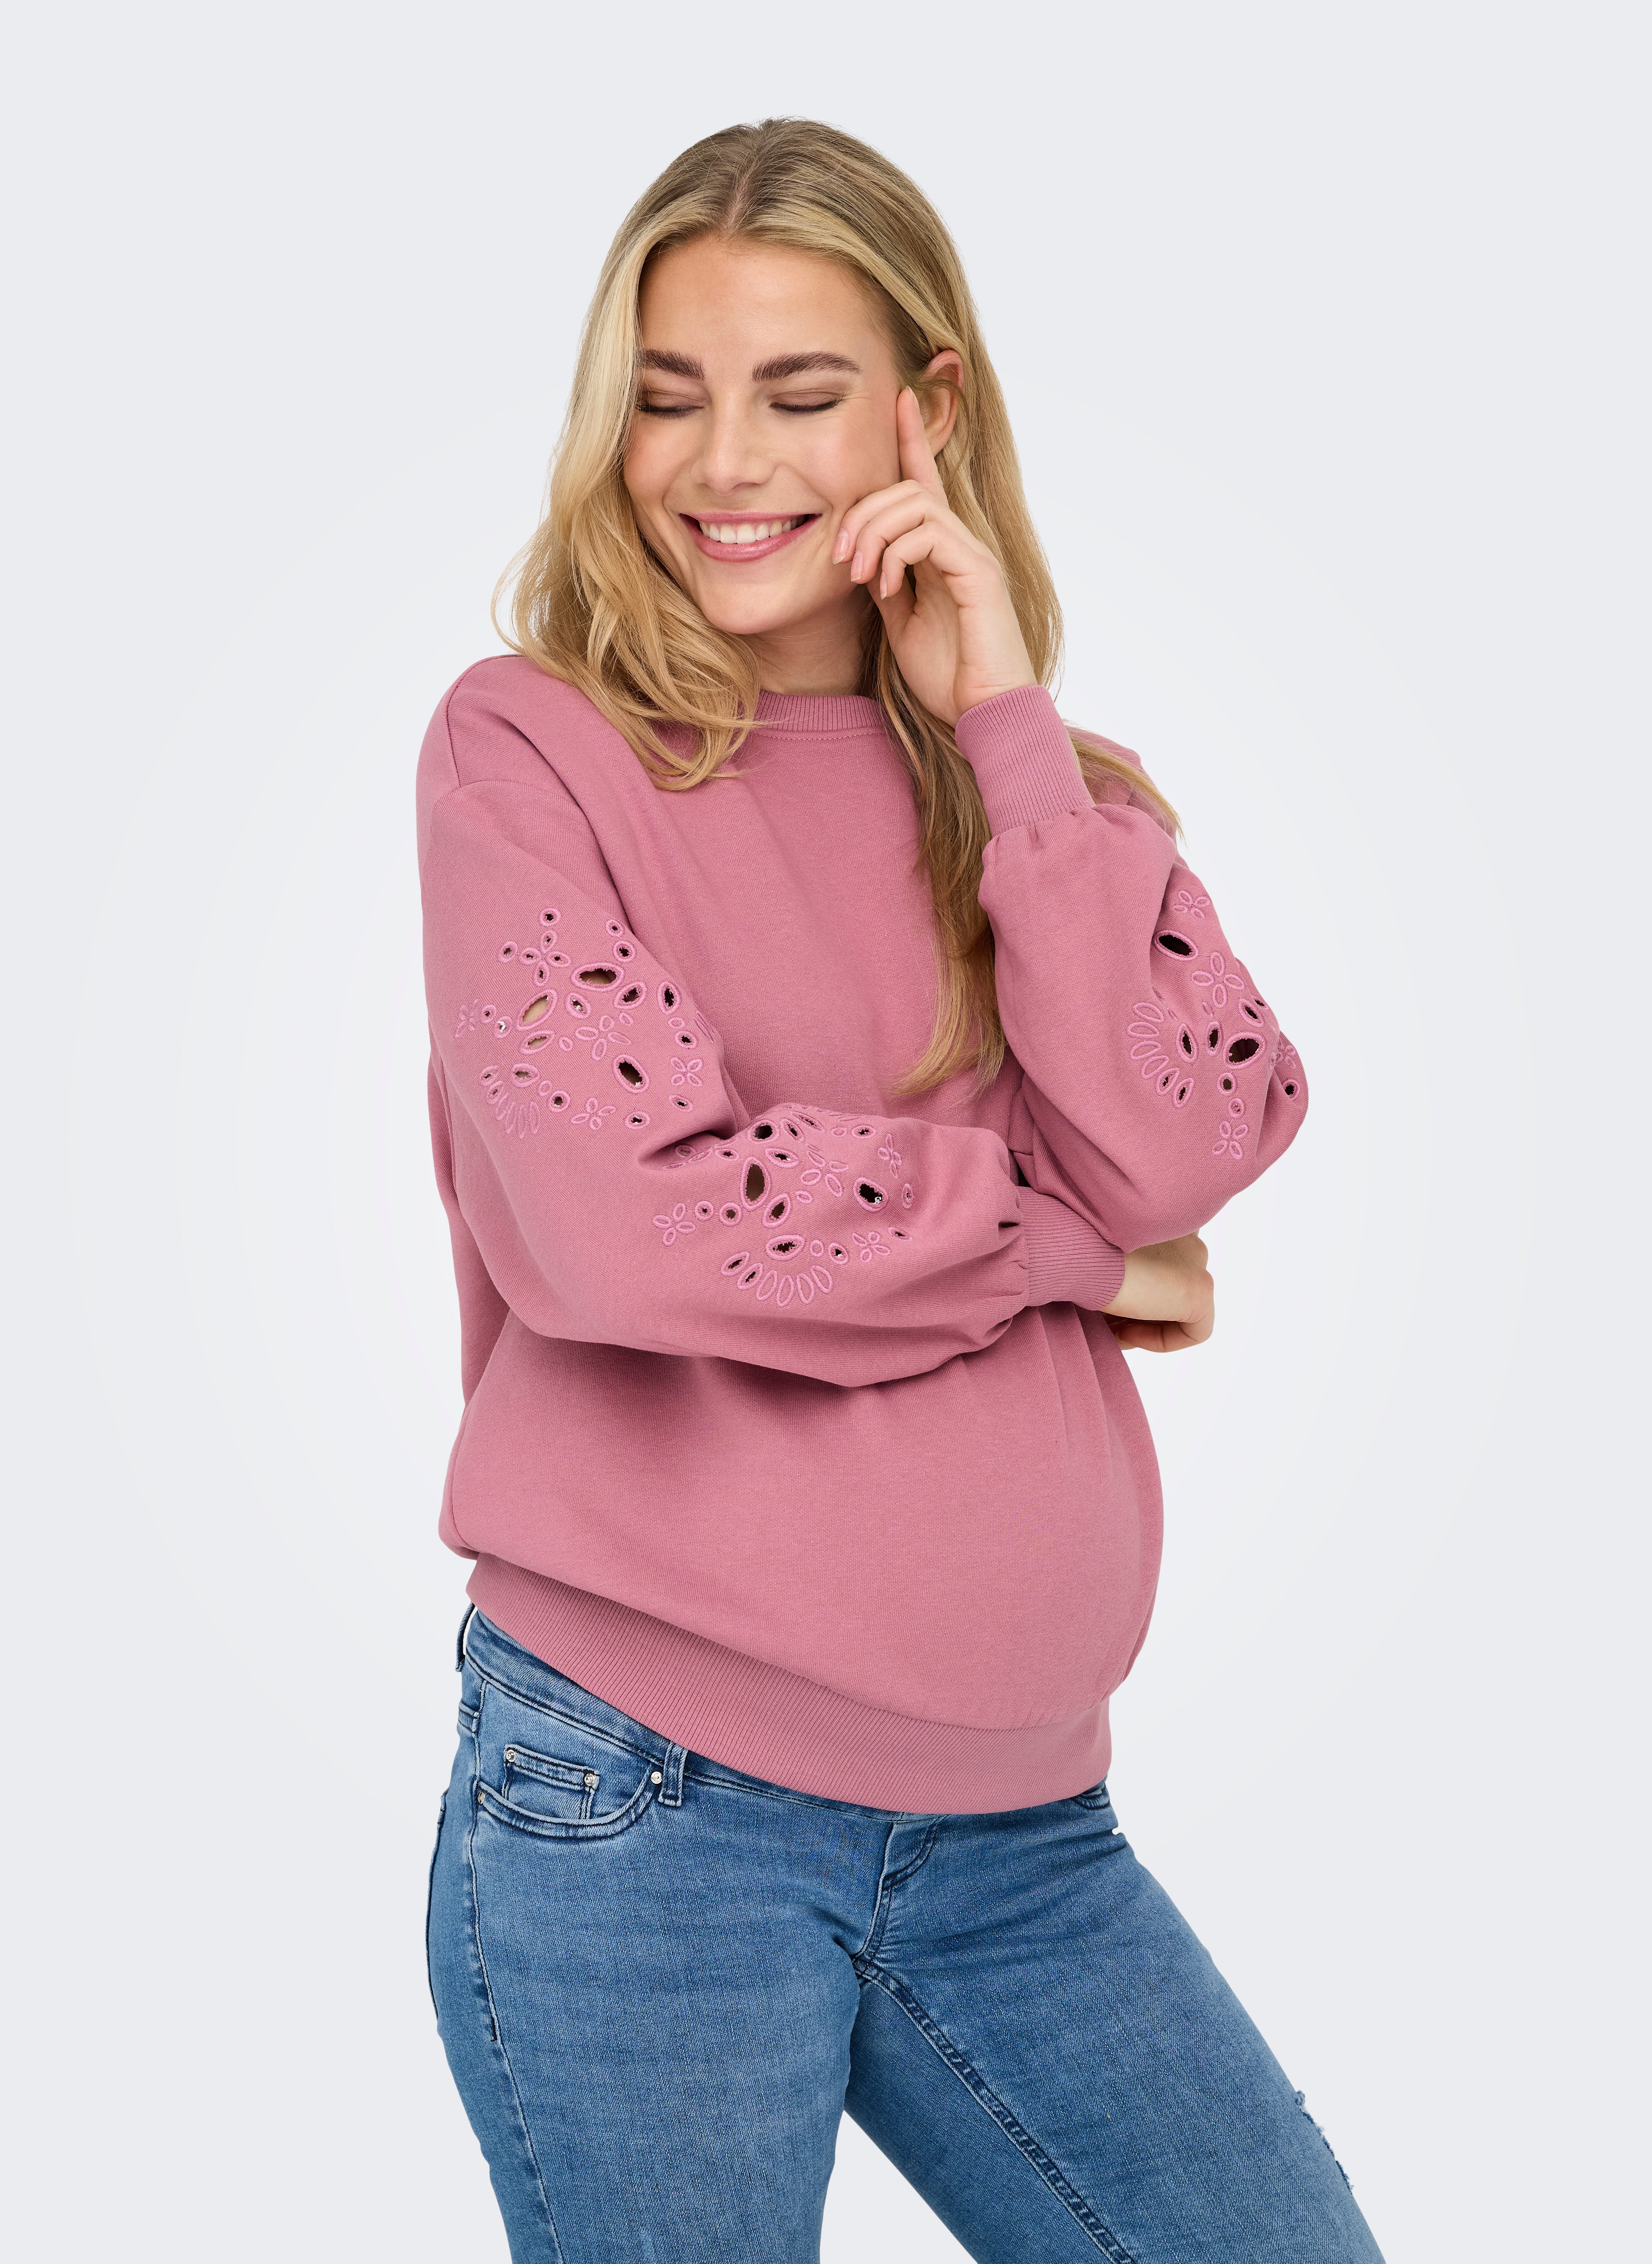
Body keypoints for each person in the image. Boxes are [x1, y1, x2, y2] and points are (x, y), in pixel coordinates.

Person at [418, 116, 1380, 2264]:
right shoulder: (532, 750)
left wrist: (1007, 728)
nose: (720, 462)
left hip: (1026, 1834)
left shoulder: (1057, 800)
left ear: (926, 410)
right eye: (667, 394)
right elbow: (626, 1225)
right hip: (646, 1805)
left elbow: (1194, 1139)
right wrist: (1069, 1247)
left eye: (799, 392)